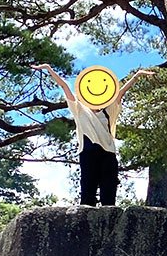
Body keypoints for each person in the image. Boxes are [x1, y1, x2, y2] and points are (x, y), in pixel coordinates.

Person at [32, 63, 155, 206]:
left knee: (108, 193)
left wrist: (137, 75)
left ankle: (109, 221)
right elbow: (65, 86)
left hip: (108, 152)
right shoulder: (79, 109)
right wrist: (49, 68)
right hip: (88, 151)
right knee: (87, 191)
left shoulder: (109, 110)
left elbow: (120, 93)